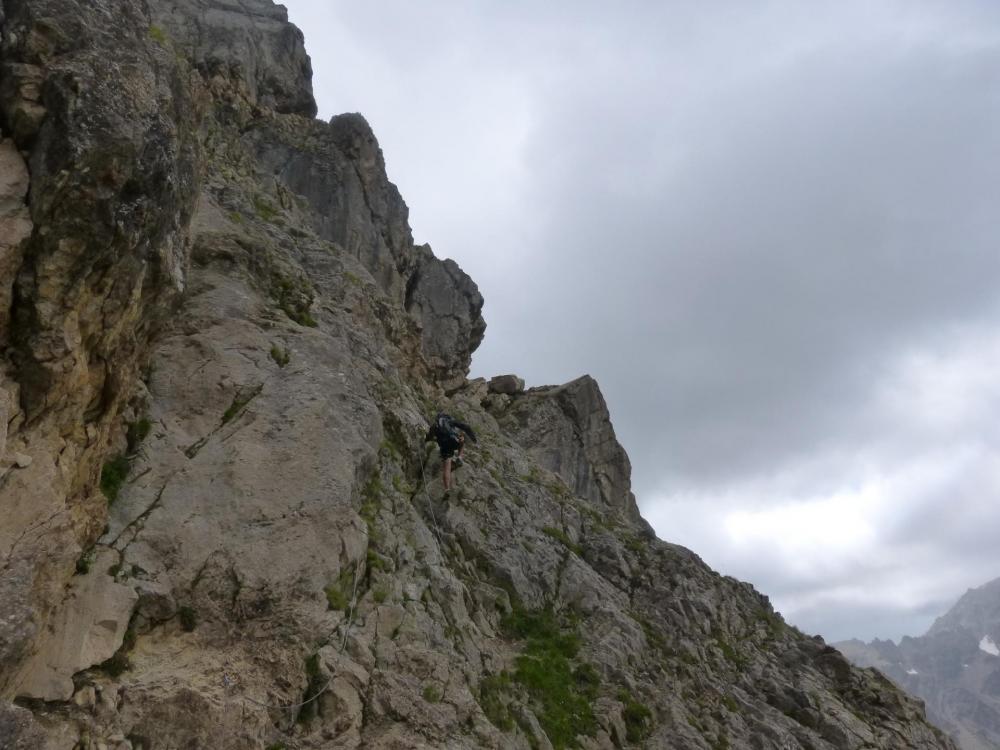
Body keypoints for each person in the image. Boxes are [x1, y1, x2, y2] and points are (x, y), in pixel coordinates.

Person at [425, 413, 477, 490]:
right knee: (462, 440)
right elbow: (466, 427)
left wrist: (427, 439)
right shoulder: (449, 420)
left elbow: (429, 438)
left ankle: (447, 489)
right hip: (453, 440)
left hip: (444, 446)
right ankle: (459, 457)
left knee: (447, 466)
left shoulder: (435, 425)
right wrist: (474, 439)